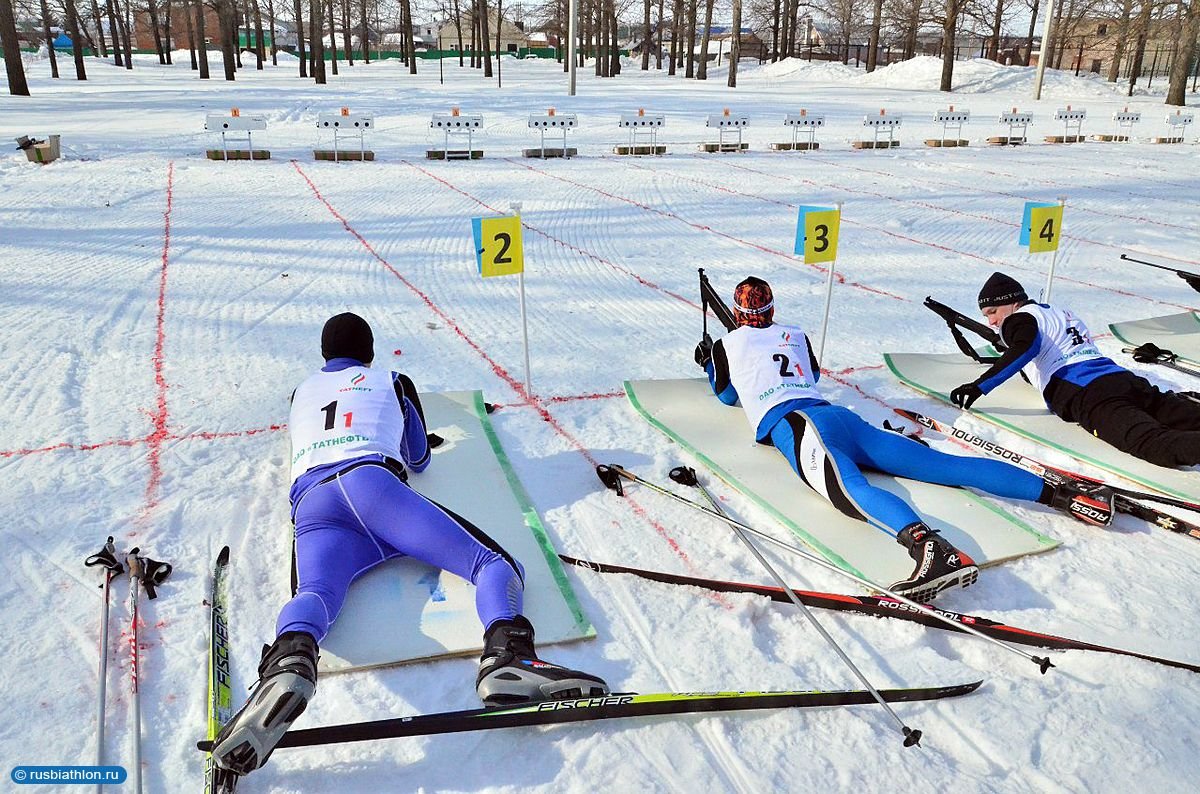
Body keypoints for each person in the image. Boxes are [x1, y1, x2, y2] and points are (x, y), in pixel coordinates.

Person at [212, 313, 609, 776]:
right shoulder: (390, 378)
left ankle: (289, 661)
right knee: (492, 564)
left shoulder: (300, 391)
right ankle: (508, 655)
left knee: (314, 594)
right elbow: (418, 457)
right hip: (373, 487)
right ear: (369, 350)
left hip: (313, 503)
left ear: (324, 353)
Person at [696, 277, 1111, 603]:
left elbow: (728, 395)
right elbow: (813, 376)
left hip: (796, 421)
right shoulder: (796, 334)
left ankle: (929, 549)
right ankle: (1065, 496)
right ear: (772, 308)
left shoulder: (727, 342)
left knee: (848, 492)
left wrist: (709, 361)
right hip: (836, 415)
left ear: (736, 311)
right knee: (945, 466)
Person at [951, 272, 1200, 468]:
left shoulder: (1019, 318)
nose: (992, 322)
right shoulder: (1059, 313)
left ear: (1011, 303)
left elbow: (1025, 348)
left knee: (1152, 443)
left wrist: (980, 386)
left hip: (1087, 391)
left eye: (993, 312)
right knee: (1185, 414)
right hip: (1123, 380)